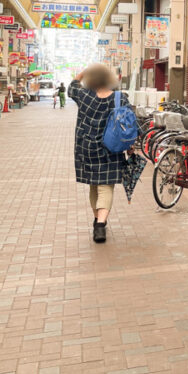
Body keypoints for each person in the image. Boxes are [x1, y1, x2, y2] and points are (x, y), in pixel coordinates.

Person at [69, 64, 124, 243]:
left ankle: (98, 220)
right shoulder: (119, 98)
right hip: (111, 148)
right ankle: (100, 225)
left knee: (94, 185)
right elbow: (131, 122)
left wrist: (84, 72)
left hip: (86, 148)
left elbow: (72, 87)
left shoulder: (84, 96)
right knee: (105, 186)